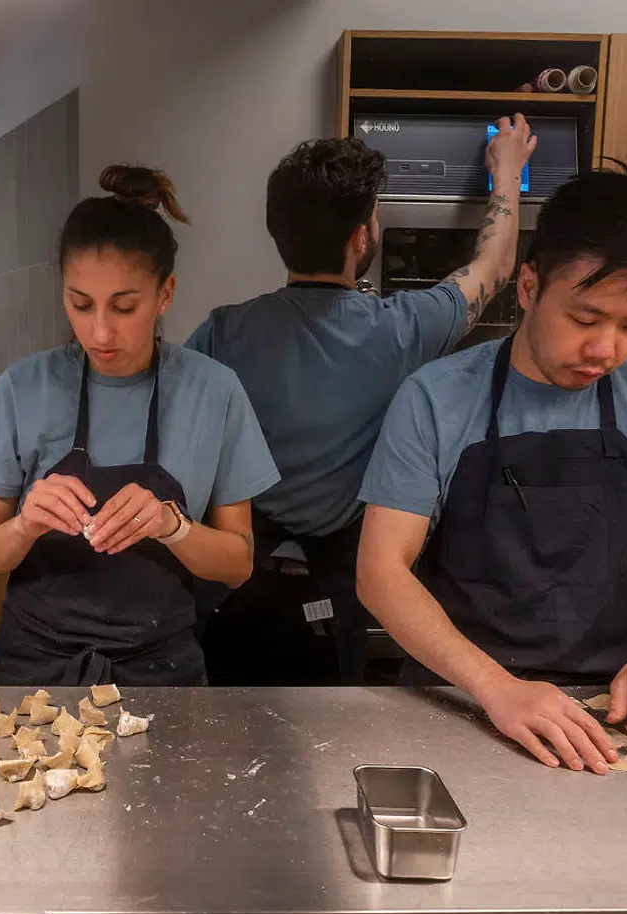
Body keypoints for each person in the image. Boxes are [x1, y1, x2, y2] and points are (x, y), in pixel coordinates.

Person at [356, 163, 627, 772]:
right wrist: (496, 687)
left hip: (607, 709)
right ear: (528, 287)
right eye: (584, 319)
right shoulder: (437, 398)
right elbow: (380, 572)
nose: (606, 349)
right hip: (461, 695)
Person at [185, 116, 538, 683]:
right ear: (360, 238)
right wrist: (507, 171)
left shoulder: (221, 332)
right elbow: (495, 268)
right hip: (339, 589)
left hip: (233, 584)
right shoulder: (402, 329)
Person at [0, 165, 281, 685]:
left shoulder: (214, 391)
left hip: (161, 670)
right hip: (35, 668)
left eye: (124, 307)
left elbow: (238, 563)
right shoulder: (24, 387)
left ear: (165, 294)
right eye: (80, 304)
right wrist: (25, 524)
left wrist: (172, 526)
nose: (100, 331)